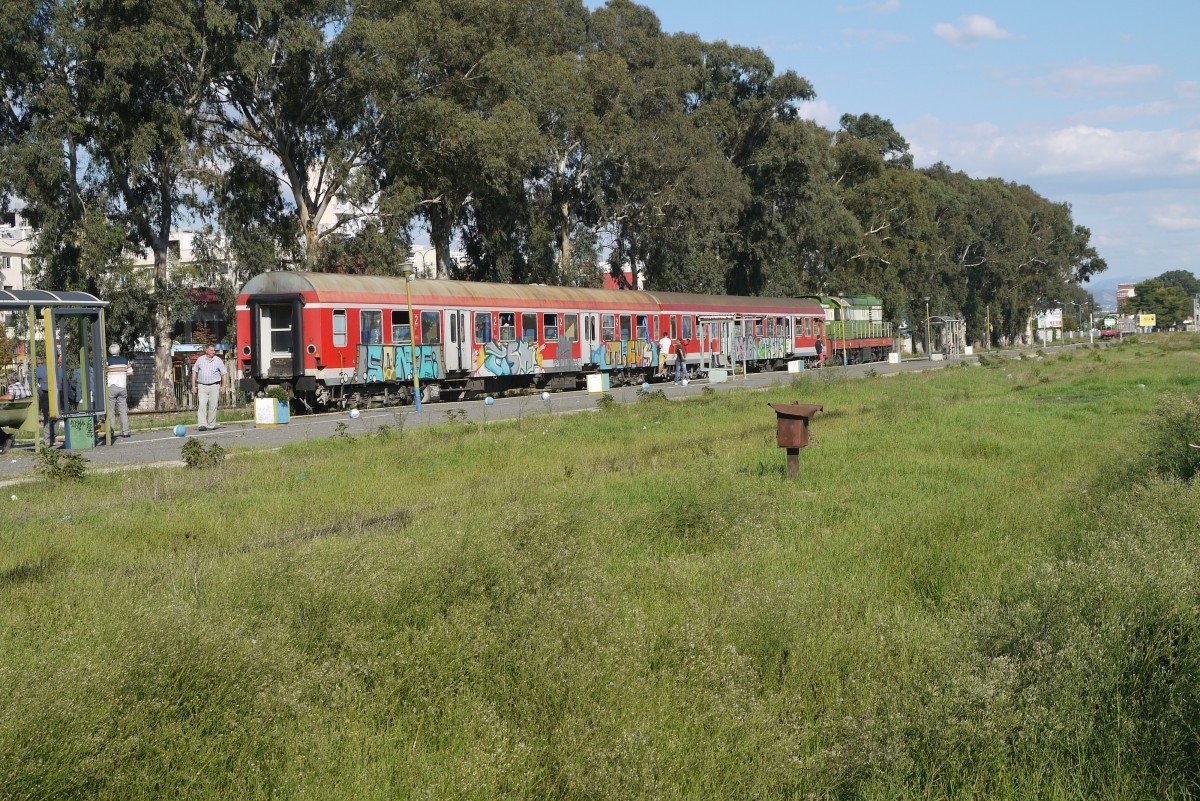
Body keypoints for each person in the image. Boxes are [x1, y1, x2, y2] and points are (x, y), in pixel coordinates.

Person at [191, 344, 228, 431]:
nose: (213, 352)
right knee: (202, 405)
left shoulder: (218, 360)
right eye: (211, 350)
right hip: (202, 386)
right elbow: (194, 371)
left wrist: (224, 386)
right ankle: (202, 425)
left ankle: (211, 425)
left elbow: (224, 374)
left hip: (214, 386)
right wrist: (193, 385)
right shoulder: (200, 359)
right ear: (206, 351)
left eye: (214, 350)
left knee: (213, 405)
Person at [106, 343, 135, 438]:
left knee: (111, 411)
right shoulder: (125, 360)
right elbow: (130, 373)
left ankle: (111, 432)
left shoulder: (108, 361)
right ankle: (126, 432)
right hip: (122, 387)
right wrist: (122, 374)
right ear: (119, 351)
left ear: (110, 351)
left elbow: (104, 373)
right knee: (123, 410)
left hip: (111, 387)